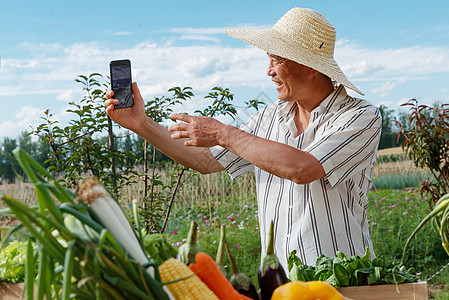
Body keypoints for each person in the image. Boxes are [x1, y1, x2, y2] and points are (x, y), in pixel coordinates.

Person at [105, 7, 381, 272]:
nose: (269, 70)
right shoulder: (269, 117)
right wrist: (140, 124)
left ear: (310, 66)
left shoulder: (360, 116)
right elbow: (204, 160)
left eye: (278, 59)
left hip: (345, 278)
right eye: (269, 59)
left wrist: (222, 133)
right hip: (281, 282)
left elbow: (303, 168)